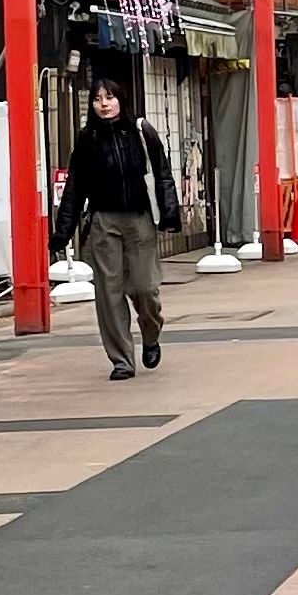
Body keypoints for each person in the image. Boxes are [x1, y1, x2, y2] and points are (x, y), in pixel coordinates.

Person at [51, 73, 180, 379]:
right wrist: (63, 231)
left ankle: (151, 332)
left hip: (140, 219)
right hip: (103, 221)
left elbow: (162, 173)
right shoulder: (87, 140)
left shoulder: (141, 132)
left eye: (109, 97)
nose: (104, 104)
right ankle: (122, 360)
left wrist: (171, 213)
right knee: (109, 293)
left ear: (120, 99)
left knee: (144, 288)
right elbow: (74, 188)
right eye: (97, 99)